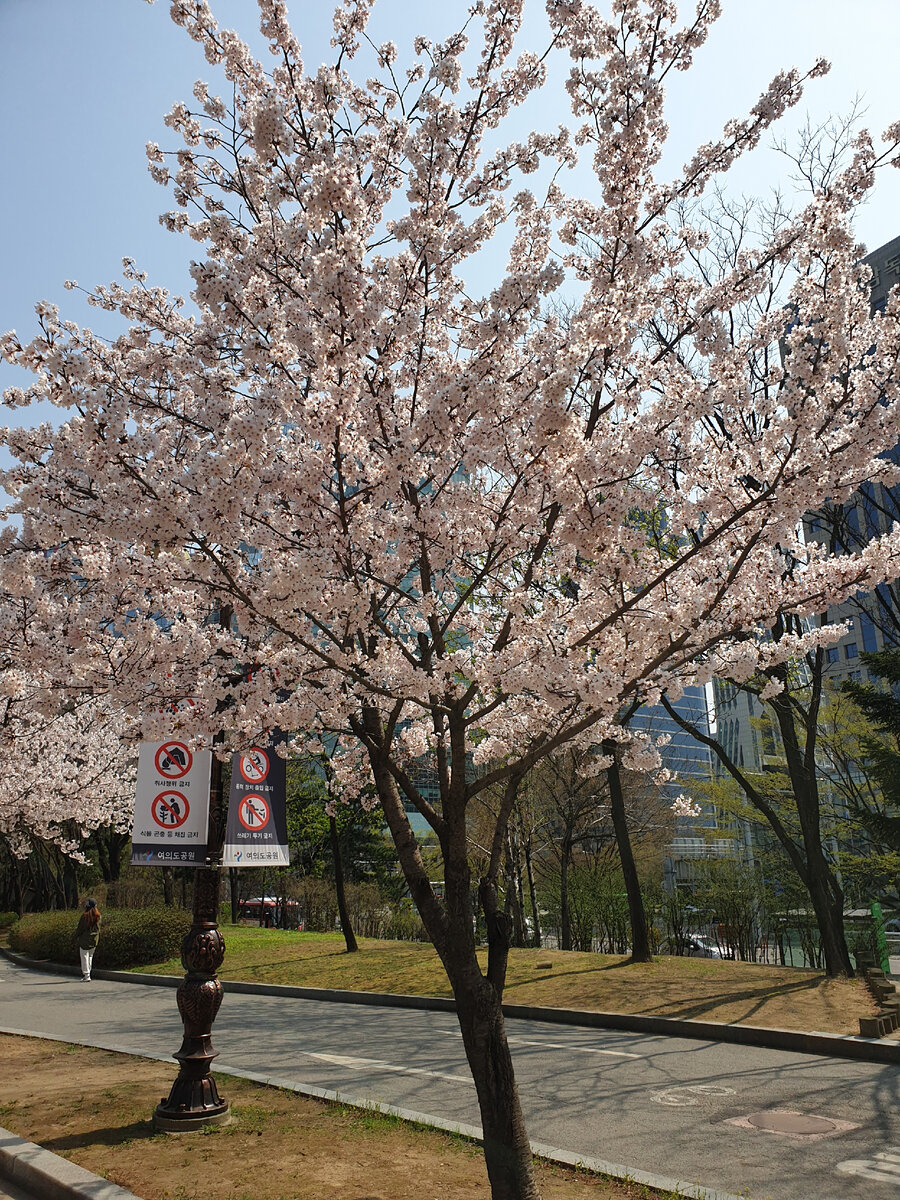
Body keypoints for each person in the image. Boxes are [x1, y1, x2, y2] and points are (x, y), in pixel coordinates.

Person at [75, 898, 101, 981]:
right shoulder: (98, 917)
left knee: (84, 957)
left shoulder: (84, 916)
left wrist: (75, 936)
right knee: (90, 956)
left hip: (84, 940)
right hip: (94, 940)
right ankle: (88, 974)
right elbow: (98, 929)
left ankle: (86, 975)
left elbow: (80, 929)